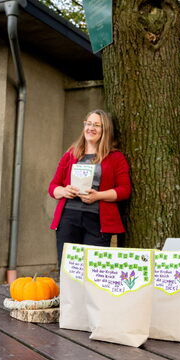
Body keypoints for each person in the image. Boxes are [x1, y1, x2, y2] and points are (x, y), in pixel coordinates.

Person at [48, 109, 131, 265]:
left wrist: (98, 196)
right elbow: (53, 187)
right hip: (69, 218)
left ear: (105, 130)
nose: (91, 128)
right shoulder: (71, 154)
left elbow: (124, 190)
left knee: (93, 271)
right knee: (68, 270)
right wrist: (65, 191)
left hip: (98, 221)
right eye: (88, 123)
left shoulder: (115, 157)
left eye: (97, 125)